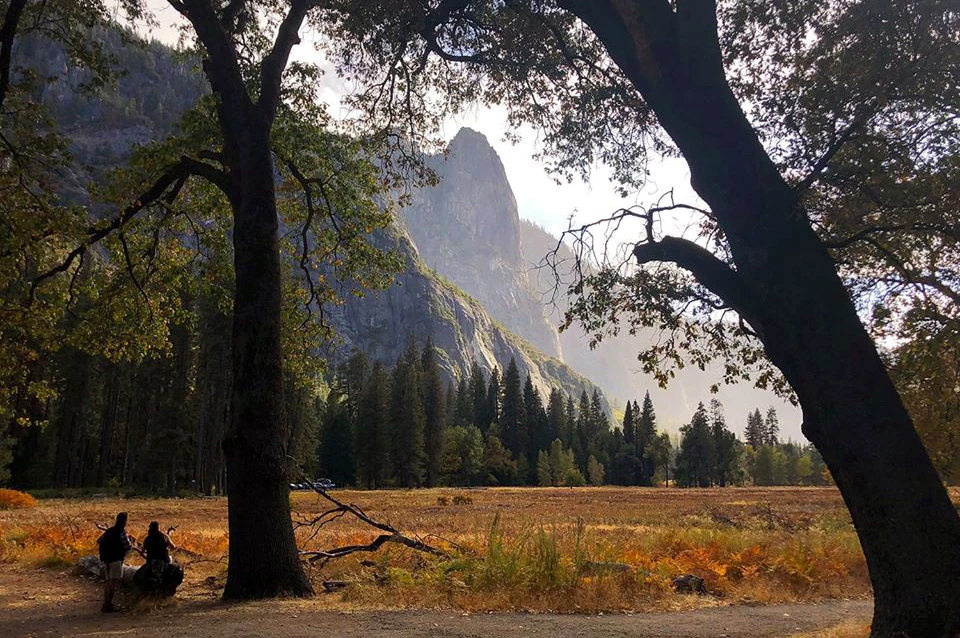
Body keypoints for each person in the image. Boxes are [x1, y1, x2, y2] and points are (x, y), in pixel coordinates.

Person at [97, 512, 135, 613]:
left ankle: (106, 604)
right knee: (112, 583)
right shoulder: (122, 532)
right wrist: (132, 542)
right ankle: (108, 605)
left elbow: (99, 540)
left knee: (108, 582)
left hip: (106, 559)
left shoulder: (109, 531)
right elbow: (128, 546)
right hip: (116, 560)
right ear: (125, 521)